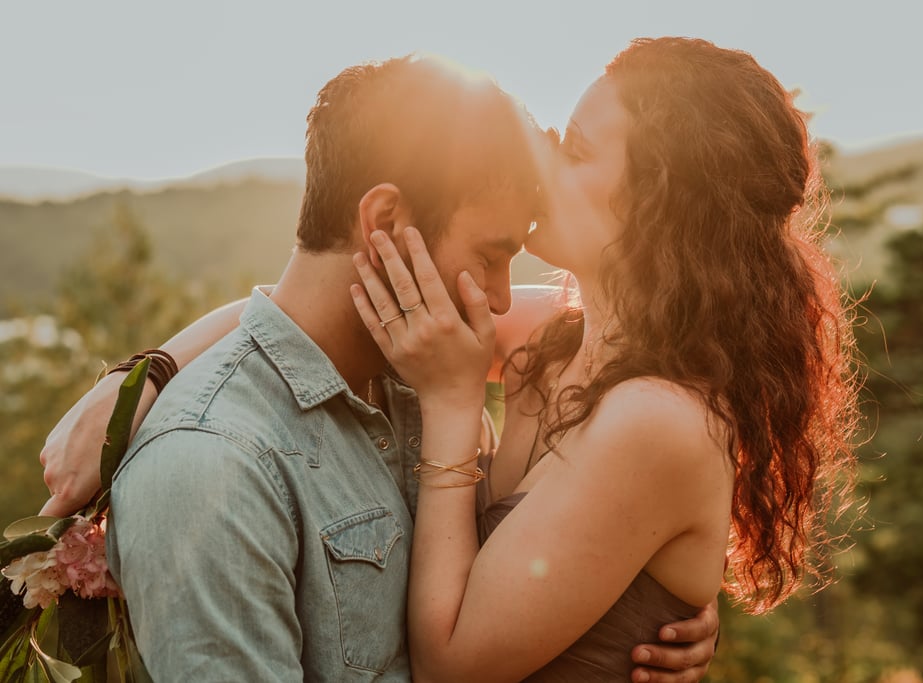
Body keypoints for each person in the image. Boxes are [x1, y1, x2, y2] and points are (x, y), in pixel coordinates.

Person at [37, 52, 719, 682]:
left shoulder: (445, 365)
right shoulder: (213, 469)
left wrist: (630, 611)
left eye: (577, 150)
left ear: (658, 196)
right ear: (385, 221)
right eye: (489, 257)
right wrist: (146, 375)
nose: (501, 295)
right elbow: (283, 314)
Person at [345, 36, 861, 681]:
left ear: (663, 202)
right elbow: (319, 308)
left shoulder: (657, 421)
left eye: (577, 152)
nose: (543, 167)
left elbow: (450, 668)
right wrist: (173, 367)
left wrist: (453, 405)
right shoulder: (554, 340)